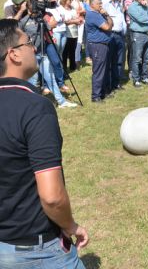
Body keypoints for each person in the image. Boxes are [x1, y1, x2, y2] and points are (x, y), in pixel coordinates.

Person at [0, 19, 89, 268]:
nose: (35, 48)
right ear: (13, 54)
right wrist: (71, 226)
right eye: (29, 42)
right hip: (37, 249)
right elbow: (51, 197)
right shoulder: (35, 108)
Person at [19, 0, 76, 108]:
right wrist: (29, 46)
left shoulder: (41, 18)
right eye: (33, 11)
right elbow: (19, 39)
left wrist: (50, 23)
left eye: (36, 11)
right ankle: (30, 105)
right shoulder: (23, 22)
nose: (35, 14)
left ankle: (61, 102)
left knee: (51, 77)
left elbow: (50, 28)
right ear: (28, 10)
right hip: (31, 56)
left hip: (43, 53)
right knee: (33, 80)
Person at [85, 0, 113, 103]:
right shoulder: (93, 15)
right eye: (98, 3)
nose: (101, 5)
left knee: (104, 70)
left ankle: (103, 92)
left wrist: (106, 15)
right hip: (97, 45)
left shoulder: (99, 14)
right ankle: (95, 96)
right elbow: (107, 27)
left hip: (103, 44)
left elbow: (111, 24)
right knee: (99, 71)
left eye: (101, 3)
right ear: (92, 4)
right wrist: (107, 20)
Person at [127, 0, 148, 88]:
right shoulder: (131, 7)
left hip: (147, 34)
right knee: (137, 58)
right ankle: (136, 79)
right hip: (137, 34)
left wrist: (147, 6)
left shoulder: (145, 5)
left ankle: (144, 77)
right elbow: (141, 19)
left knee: (146, 58)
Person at [103, 0, 126, 91]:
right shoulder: (104, 3)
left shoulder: (118, 2)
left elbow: (121, 16)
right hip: (110, 35)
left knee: (119, 60)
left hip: (120, 34)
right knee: (110, 61)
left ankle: (117, 83)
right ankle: (109, 84)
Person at [59, 0, 81, 72]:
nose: (71, 1)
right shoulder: (61, 9)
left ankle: (72, 66)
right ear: (65, 0)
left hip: (74, 32)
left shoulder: (73, 9)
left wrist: (78, 20)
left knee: (73, 50)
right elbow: (63, 21)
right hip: (66, 33)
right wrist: (74, 21)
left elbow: (76, 18)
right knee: (65, 52)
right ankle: (64, 68)